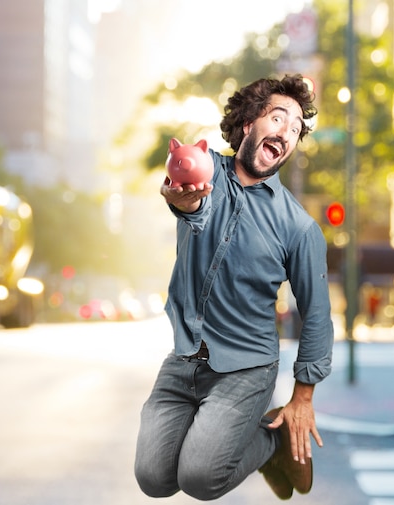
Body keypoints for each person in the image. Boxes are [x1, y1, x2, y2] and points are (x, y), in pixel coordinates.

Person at [134, 74, 334, 501]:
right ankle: (235, 439)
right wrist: (182, 200)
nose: (287, 131)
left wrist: (302, 397)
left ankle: (271, 444)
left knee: (200, 479)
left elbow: (317, 314)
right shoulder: (207, 176)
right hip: (186, 357)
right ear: (248, 124)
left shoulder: (299, 229)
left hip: (246, 368)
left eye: (296, 129)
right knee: (154, 479)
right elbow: (196, 205)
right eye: (278, 118)